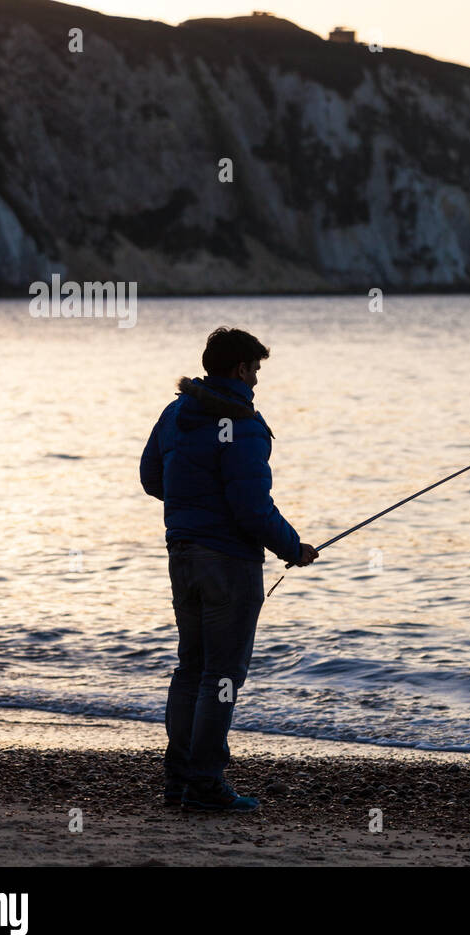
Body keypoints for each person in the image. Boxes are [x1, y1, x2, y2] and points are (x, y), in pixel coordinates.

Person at [139, 327, 317, 812]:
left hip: (183, 556)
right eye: (255, 369)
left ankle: (179, 781)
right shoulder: (244, 422)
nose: (257, 380)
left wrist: (193, 506)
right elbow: (251, 510)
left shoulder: (175, 412)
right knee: (221, 675)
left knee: (192, 670)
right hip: (230, 564)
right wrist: (292, 547)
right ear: (240, 368)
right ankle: (205, 785)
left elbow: (151, 478)